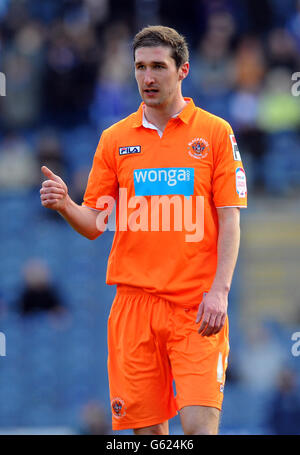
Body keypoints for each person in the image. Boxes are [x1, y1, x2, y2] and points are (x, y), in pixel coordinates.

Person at [40, 25, 247, 435]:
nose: (148, 78)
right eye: (139, 67)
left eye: (158, 67)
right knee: (146, 436)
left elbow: (230, 218)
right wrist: (66, 205)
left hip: (196, 307)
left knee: (198, 428)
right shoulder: (114, 140)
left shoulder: (215, 133)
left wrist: (220, 292)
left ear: (182, 69)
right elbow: (96, 224)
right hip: (134, 307)